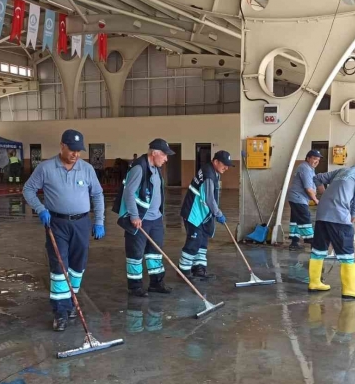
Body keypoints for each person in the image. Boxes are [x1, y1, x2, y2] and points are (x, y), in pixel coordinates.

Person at [23, 129, 105, 332]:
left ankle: (70, 302)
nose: (76, 154)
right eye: (72, 150)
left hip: (81, 224)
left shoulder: (86, 169)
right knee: (60, 268)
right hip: (56, 224)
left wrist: (99, 221)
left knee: (77, 266)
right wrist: (40, 209)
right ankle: (60, 312)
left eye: (79, 150)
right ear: (62, 146)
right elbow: (28, 189)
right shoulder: (46, 168)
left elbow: (98, 195)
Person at [307, 153, 355, 299]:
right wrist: (351, 219)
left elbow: (317, 178)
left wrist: (324, 194)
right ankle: (349, 289)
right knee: (346, 252)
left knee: (319, 249)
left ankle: (314, 282)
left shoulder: (342, 171)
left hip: (322, 213)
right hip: (339, 216)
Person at [113, 139, 175, 297]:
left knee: (155, 252)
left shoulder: (155, 168)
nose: (166, 159)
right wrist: (134, 215)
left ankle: (156, 283)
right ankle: (135, 287)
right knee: (136, 253)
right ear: (154, 153)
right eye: (164, 155)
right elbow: (128, 193)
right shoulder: (139, 168)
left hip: (155, 219)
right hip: (140, 219)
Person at [178, 150, 233, 280]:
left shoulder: (211, 171)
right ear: (215, 162)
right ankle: (183, 271)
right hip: (193, 213)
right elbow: (209, 198)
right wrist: (218, 213)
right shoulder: (209, 175)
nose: (226, 167)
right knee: (194, 241)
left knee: (202, 242)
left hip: (201, 214)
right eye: (224, 164)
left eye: (228, 165)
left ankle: (199, 269)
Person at [287, 149, 323, 251]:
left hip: (296, 197)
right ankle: (313, 243)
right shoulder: (305, 168)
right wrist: (316, 200)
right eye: (315, 159)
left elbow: (315, 183)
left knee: (296, 219)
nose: (317, 161)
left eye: (318, 160)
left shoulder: (309, 168)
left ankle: (294, 242)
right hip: (298, 198)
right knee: (305, 219)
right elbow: (308, 188)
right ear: (308, 158)